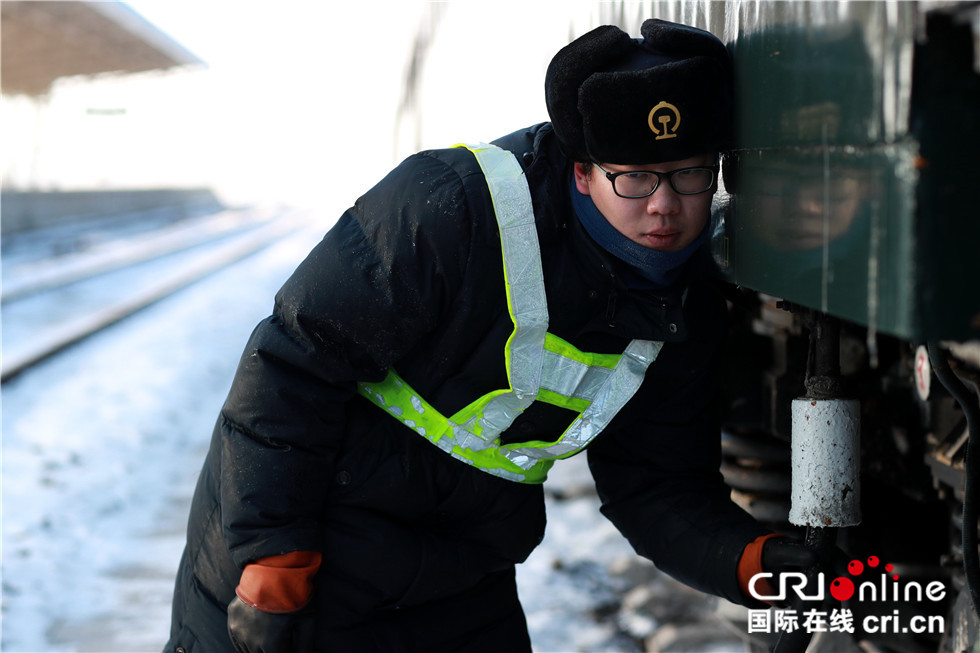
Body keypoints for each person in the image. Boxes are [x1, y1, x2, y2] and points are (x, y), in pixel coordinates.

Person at [165, 18, 799, 653]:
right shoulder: (451, 208)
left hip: (462, 572)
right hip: (311, 546)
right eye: (633, 177)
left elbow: (657, 483)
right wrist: (275, 555)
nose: (664, 205)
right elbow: (293, 365)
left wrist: (750, 564)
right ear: (583, 171)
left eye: (689, 174)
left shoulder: (687, 303)